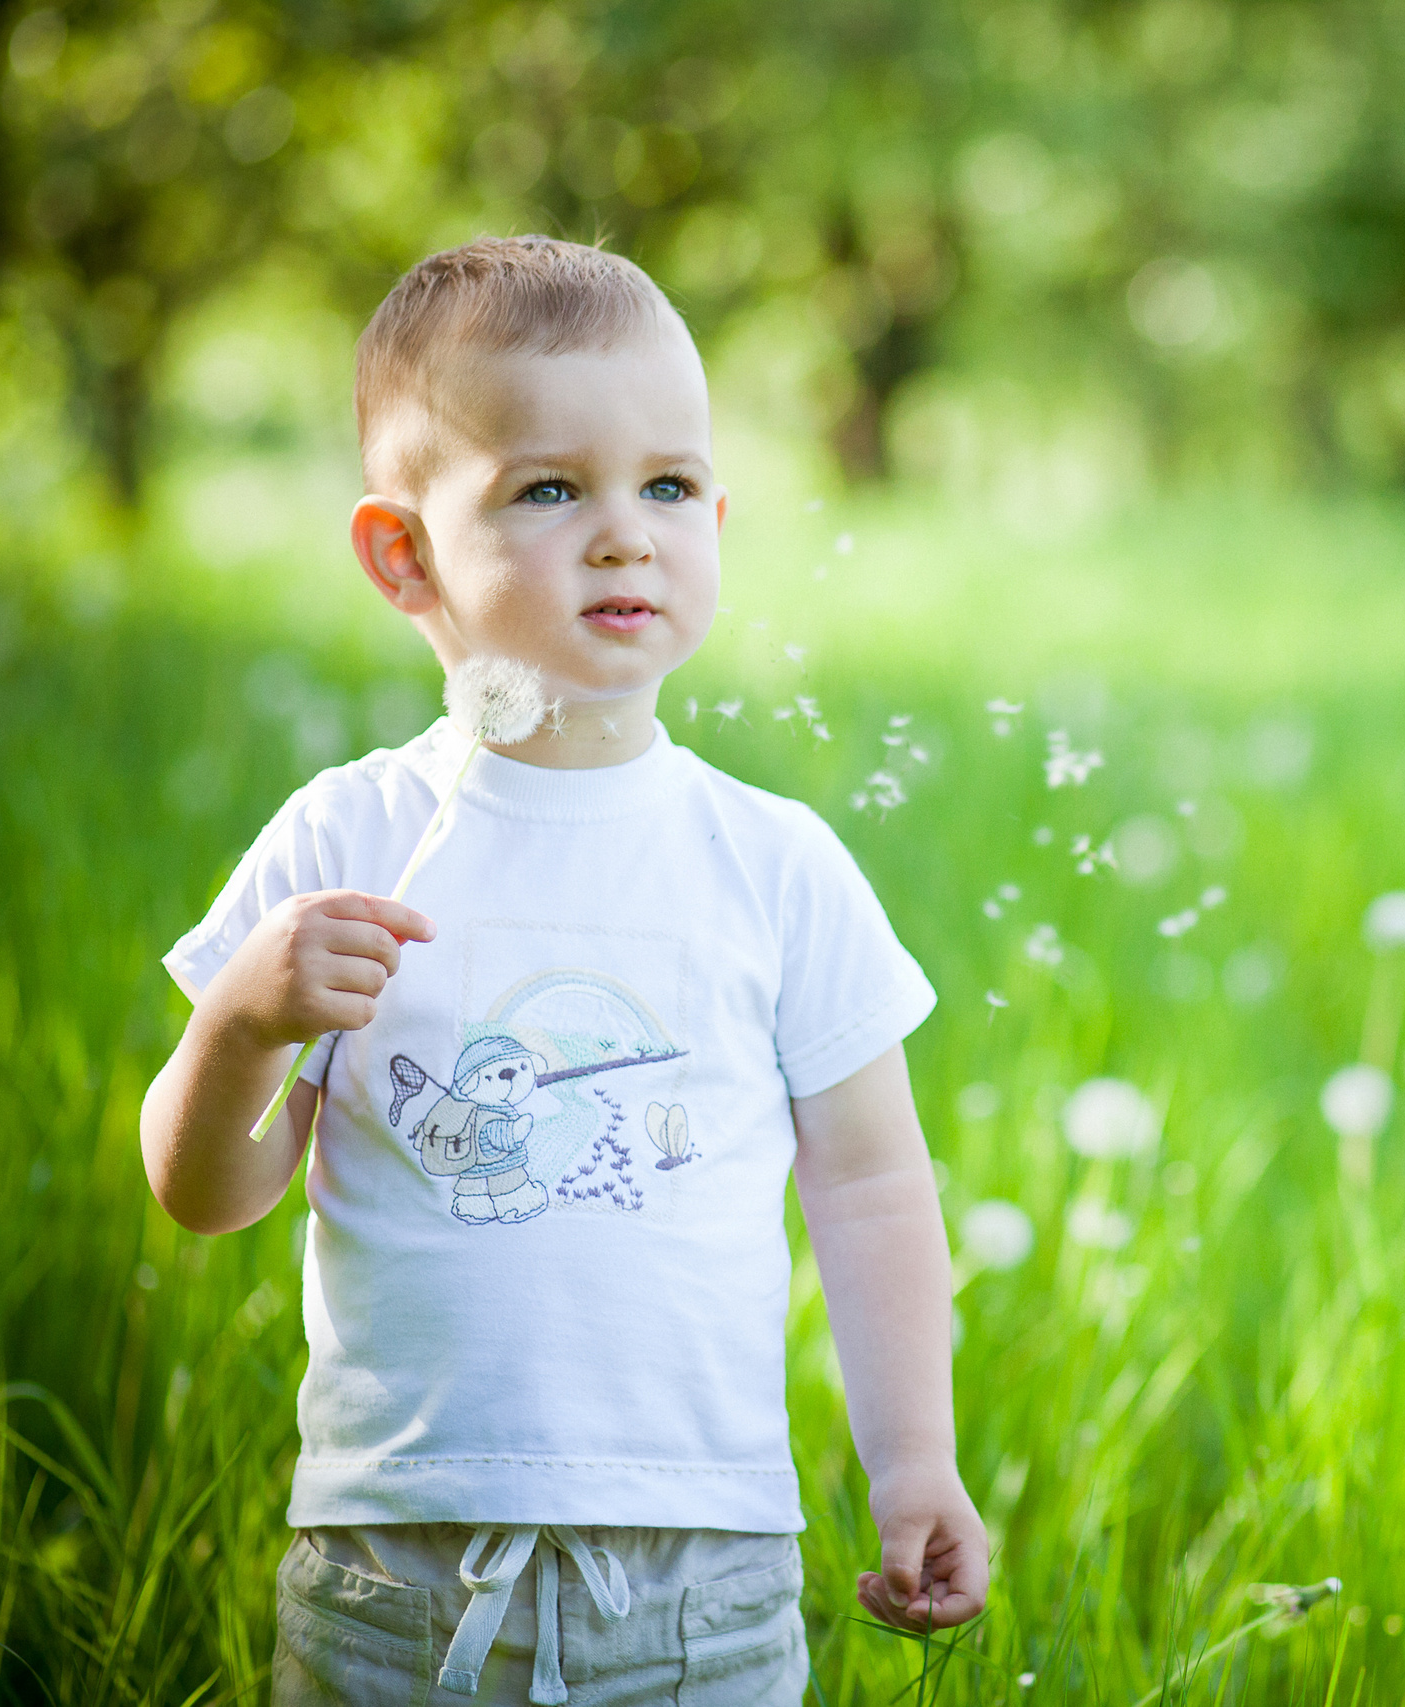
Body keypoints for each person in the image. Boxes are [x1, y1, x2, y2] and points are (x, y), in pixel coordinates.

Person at [138, 235, 986, 1705]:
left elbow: (869, 1183)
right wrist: (239, 1024)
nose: (624, 533)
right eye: (549, 489)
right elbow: (208, 1192)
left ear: (718, 516)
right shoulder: (351, 838)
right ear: (404, 556)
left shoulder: (774, 864)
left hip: (703, 1571)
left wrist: (914, 1460)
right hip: (394, 1563)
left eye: (666, 487)